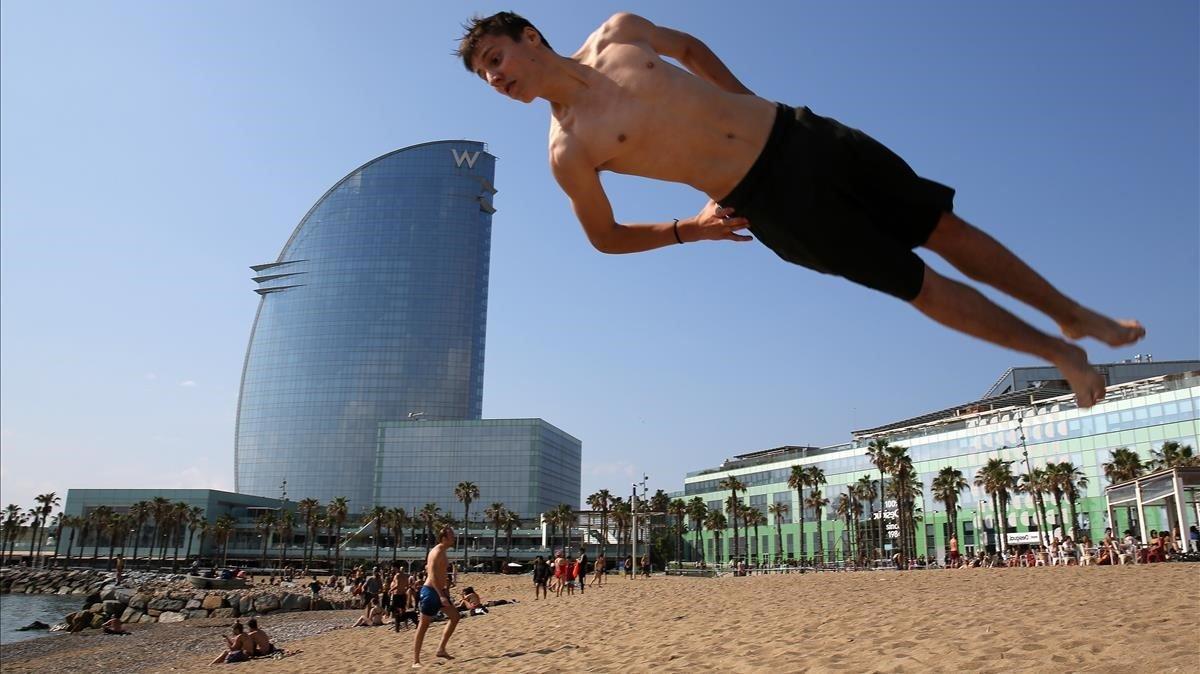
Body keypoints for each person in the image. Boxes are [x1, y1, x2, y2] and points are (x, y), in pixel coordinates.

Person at [455, 12, 1145, 410]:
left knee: (941, 226)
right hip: (772, 203)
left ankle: (1071, 313)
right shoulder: (568, 149)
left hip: (803, 135)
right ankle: (1062, 354)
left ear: (528, 36)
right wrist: (687, 231)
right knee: (917, 283)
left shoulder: (620, 30)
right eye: (484, 76)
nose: (495, 77)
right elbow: (603, 237)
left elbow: (689, 48)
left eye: (495, 57)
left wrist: (752, 100)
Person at [412, 525, 459, 668]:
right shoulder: (436, 552)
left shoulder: (443, 551)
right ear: (444, 538)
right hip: (430, 592)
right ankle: (415, 661)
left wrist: (444, 591)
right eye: (451, 535)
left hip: (439, 591)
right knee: (423, 626)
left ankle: (441, 649)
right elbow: (431, 576)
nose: (454, 537)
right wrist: (441, 595)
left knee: (455, 617)